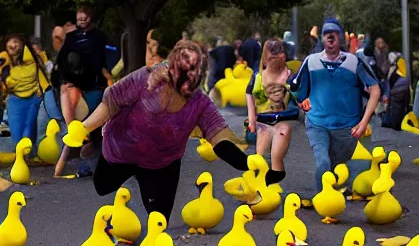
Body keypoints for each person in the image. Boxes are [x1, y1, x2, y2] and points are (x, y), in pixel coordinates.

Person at [62, 40, 257, 222]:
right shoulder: (145, 78)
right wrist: (85, 127)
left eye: (193, 71)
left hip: (162, 162)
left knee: (159, 219)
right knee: (102, 186)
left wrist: (246, 164)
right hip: (123, 149)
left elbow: (219, 139)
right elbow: (111, 101)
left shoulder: (200, 103)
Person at [290, 19, 380, 192]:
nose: (330, 37)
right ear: (323, 38)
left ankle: (332, 199)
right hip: (317, 124)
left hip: (347, 128)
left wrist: (364, 122)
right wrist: (301, 102)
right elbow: (295, 88)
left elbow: (375, 89)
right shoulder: (311, 61)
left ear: (341, 39)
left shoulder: (354, 62)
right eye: (326, 33)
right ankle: (323, 201)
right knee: (323, 162)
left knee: (336, 168)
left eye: (334, 33)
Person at [53, 5, 112, 176]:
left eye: (84, 17)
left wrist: (107, 75)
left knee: (91, 126)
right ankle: (68, 164)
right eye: (79, 18)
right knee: (75, 126)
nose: (81, 20)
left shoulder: (101, 37)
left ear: (91, 18)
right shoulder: (71, 38)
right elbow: (62, 61)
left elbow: (107, 58)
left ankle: (89, 163)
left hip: (95, 86)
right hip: (74, 86)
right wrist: (63, 81)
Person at [246, 39, 299, 184]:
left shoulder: (289, 75)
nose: (272, 62)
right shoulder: (258, 75)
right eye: (270, 59)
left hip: (283, 121)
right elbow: (249, 93)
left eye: (276, 58)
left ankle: (271, 183)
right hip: (263, 122)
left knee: (276, 157)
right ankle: (261, 186)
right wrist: (251, 118)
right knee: (259, 159)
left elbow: (299, 95)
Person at [0, 33, 50, 148]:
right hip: (14, 100)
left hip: (33, 98)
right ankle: (23, 156)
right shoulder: (4, 59)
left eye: (17, 41)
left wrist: (41, 90)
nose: (14, 44)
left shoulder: (32, 59)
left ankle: (29, 155)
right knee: (17, 133)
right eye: (11, 41)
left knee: (29, 127)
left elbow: (42, 75)